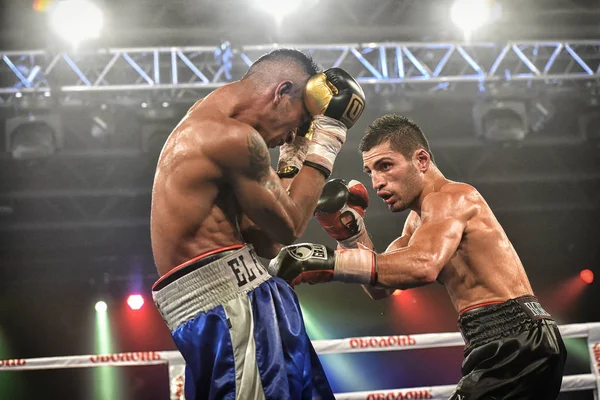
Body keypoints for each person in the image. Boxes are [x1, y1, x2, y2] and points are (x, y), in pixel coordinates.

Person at [269, 114, 567, 399]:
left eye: (386, 166)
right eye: (370, 172)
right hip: (502, 340)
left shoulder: (453, 197)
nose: (376, 183)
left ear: (421, 160)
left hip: (516, 339)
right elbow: (379, 288)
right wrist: (351, 235)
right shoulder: (417, 222)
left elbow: (424, 266)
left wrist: (327, 261)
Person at [150, 48, 366, 400]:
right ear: (281, 93)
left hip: (236, 304)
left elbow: (266, 242)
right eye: (297, 125)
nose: (290, 137)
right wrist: (328, 135)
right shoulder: (231, 138)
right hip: (228, 312)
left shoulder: (212, 123)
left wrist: (292, 161)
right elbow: (291, 225)